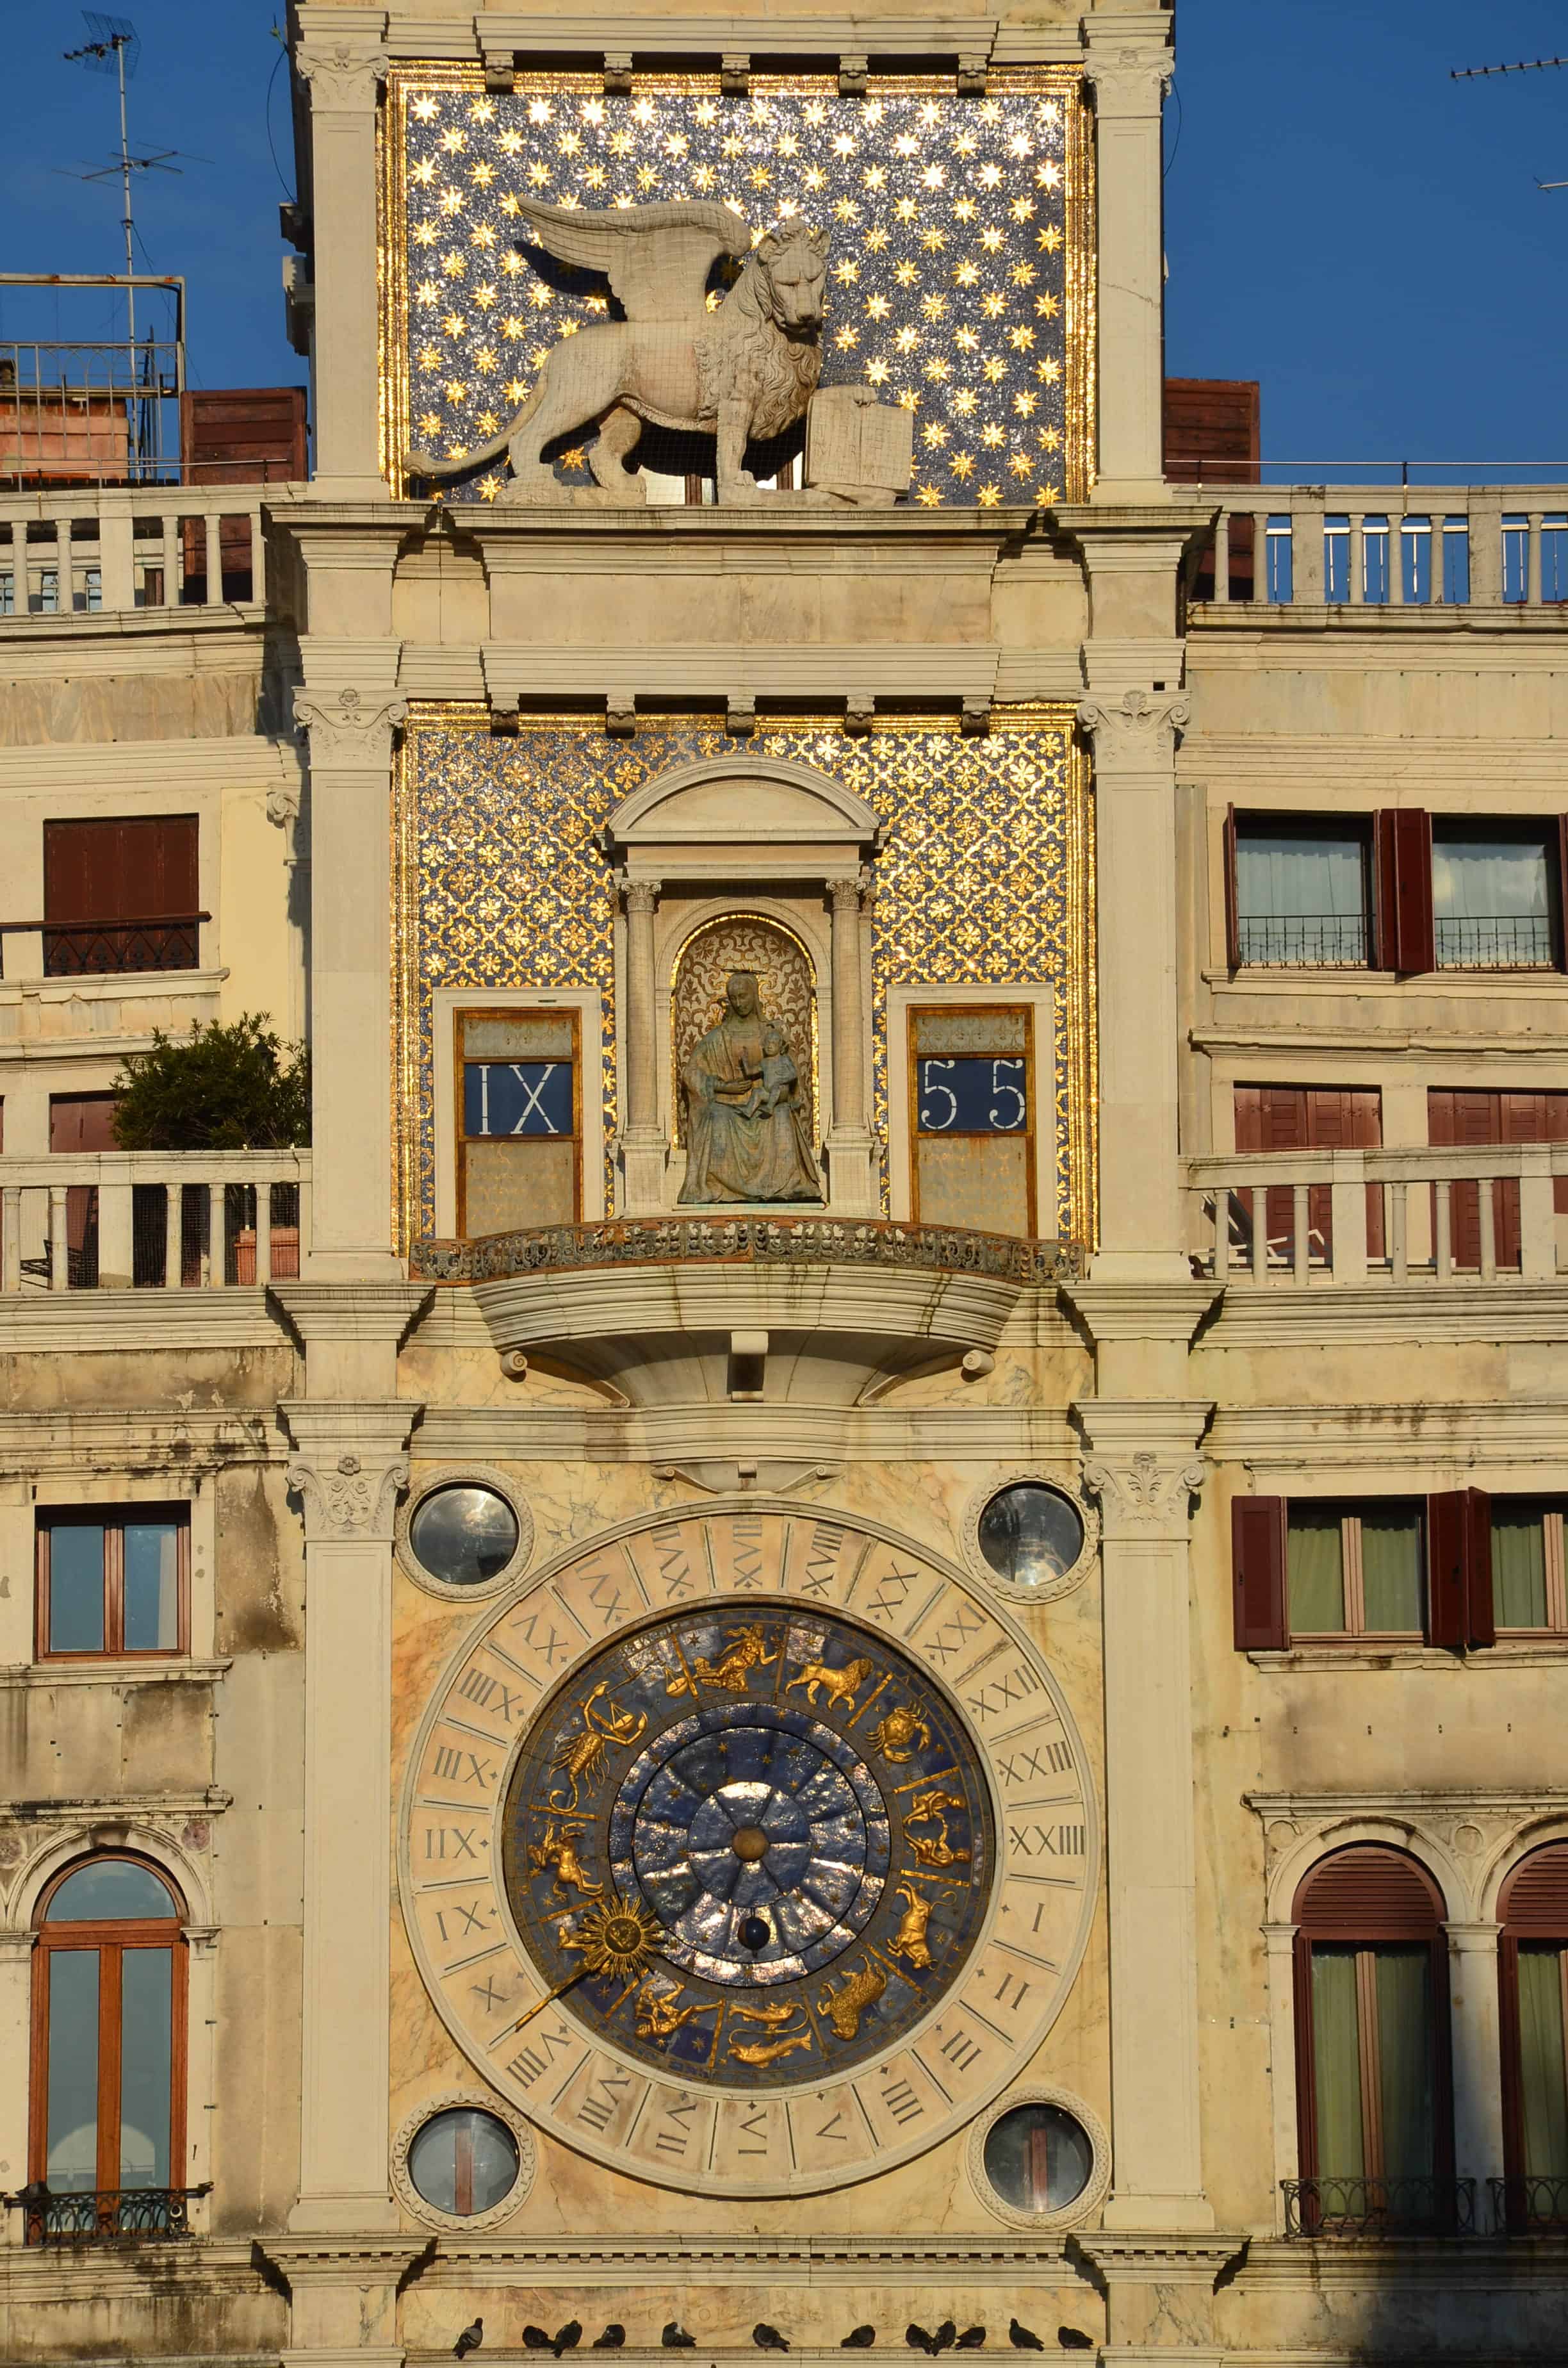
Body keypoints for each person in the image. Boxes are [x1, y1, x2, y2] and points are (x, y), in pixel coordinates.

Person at [677, 971, 821, 1205]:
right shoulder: (716, 1038)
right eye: (733, 998)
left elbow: (791, 1074)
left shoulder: (771, 1034)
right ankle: (720, 1188)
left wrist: (783, 1093)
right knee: (716, 1118)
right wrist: (724, 1087)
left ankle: (786, 1187)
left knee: (783, 1115)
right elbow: (691, 1073)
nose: (738, 1003)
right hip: (727, 1106)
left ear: (754, 996)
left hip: (769, 1106)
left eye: (743, 996)